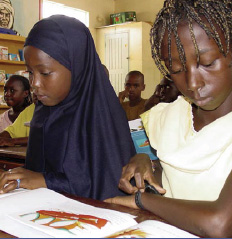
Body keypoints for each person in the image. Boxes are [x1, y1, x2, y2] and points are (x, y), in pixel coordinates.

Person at [105, 0, 232, 237]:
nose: (193, 83)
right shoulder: (167, 116)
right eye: (175, 69)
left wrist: (142, 200)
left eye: (207, 63)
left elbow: (220, 224)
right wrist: (147, 161)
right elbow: (176, 178)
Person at [0, 15, 135, 200]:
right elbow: (35, 173)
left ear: (77, 66)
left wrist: (45, 181)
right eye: (30, 72)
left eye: (45, 73)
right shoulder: (43, 112)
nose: (34, 83)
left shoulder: (102, 116)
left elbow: (109, 189)